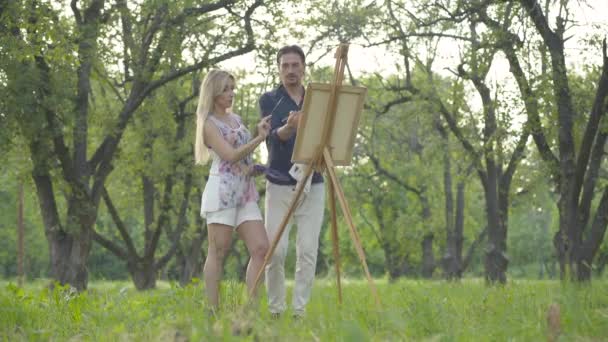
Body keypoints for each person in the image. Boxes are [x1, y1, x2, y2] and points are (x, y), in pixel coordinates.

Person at [195, 69, 271, 312]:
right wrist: (260, 138)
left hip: (245, 192)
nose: (231, 94)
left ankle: (251, 311)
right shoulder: (209, 124)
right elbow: (228, 156)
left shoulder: (236, 119)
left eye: (232, 88)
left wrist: (252, 169)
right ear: (214, 93)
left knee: (261, 248)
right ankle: (212, 311)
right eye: (226, 89)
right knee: (218, 251)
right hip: (222, 192)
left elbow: (240, 159)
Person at [259, 45, 325, 318]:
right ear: (279, 69)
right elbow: (273, 137)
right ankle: (276, 310)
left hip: (314, 181)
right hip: (279, 182)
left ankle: (300, 312)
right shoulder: (269, 99)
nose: (290, 71)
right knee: (275, 251)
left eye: (295, 65)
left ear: (303, 67)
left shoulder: (318, 99)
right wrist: (289, 126)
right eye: (285, 66)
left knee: (308, 250)